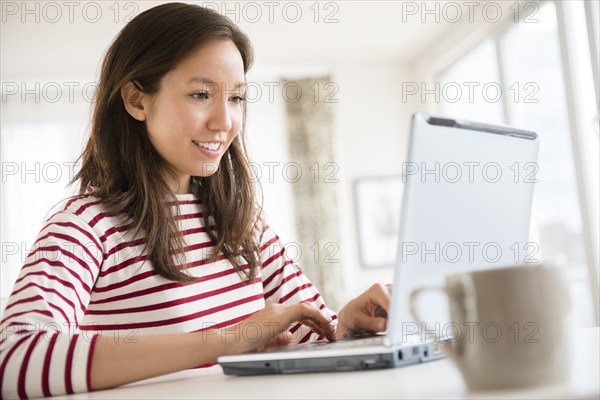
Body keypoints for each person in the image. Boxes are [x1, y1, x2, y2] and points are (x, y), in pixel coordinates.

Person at [0, 3, 390, 398]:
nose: (225, 121)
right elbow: (15, 360)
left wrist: (347, 328)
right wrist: (227, 341)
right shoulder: (85, 225)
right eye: (201, 93)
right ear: (136, 100)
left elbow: (312, 336)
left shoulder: (242, 222)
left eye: (236, 98)